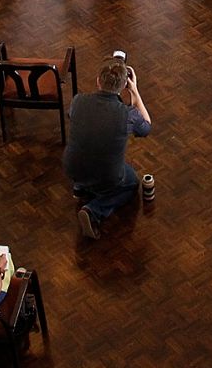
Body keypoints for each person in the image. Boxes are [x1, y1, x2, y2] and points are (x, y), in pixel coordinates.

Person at [64, 57, 153, 239]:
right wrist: (135, 90)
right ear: (123, 86)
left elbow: (74, 118)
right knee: (131, 183)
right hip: (107, 176)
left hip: (72, 167)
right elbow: (146, 127)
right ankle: (94, 210)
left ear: (98, 80)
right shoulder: (126, 115)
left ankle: (80, 187)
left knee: (88, 148)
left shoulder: (78, 100)